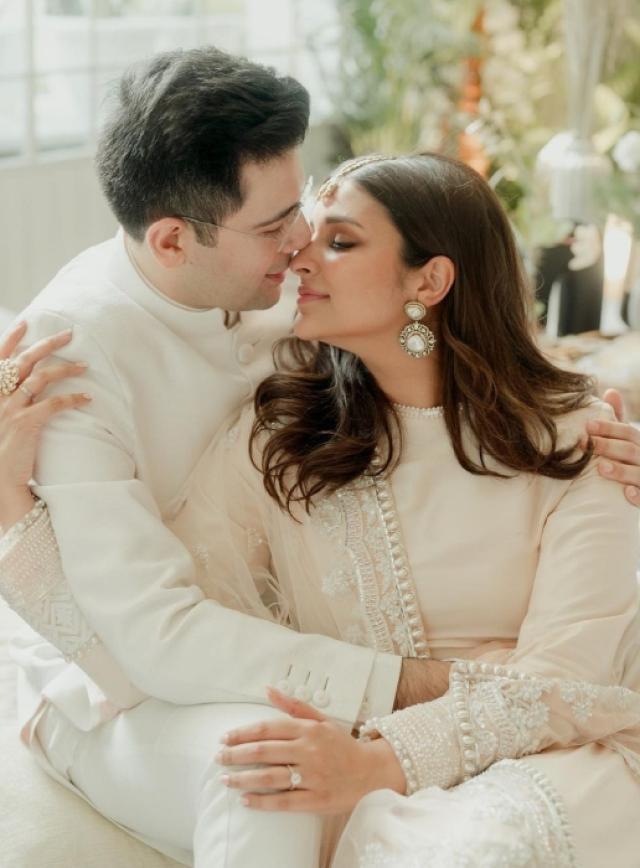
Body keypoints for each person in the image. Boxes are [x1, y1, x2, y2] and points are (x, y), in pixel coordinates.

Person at [1, 151, 640, 867]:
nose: (300, 259)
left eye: (340, 242)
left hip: (551, 755)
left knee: (485, 849)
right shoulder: (282, 437)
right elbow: (159, 629)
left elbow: (569, 684)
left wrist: (385, 760)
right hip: (353, 764)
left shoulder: (580, 437)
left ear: (429, 281)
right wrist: (10, 507)